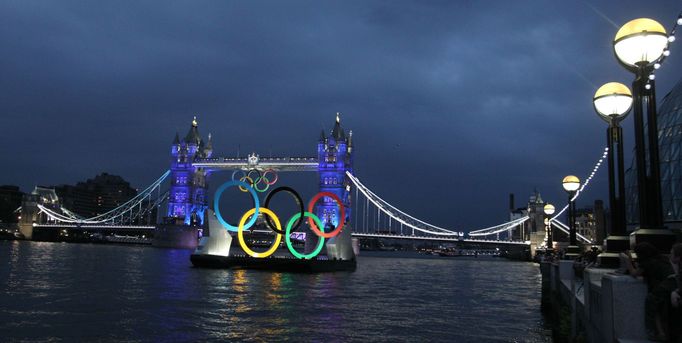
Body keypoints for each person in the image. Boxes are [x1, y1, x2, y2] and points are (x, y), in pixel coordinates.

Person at [621, 242, 675, 341]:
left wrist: (628, 260)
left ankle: (657, 332)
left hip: (661, 288)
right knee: (660, 310)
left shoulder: (647, 262)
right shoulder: (662, 258)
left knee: (653, 308)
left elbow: (634, 273)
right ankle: (662, 333)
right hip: (671, 285)